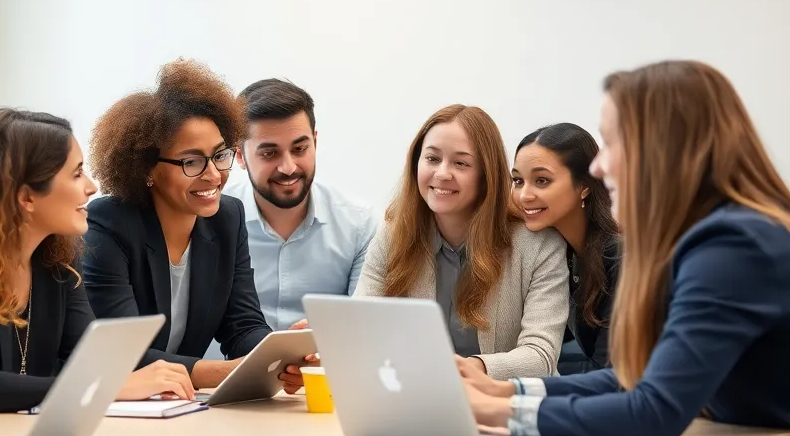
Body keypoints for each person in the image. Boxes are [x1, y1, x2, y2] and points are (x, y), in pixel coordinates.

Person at [455, 61, 790, 436]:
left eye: (612, 144)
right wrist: (507, 388)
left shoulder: (734, 245)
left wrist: (498, 412)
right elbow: (642, 377)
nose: (602, 167)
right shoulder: (718, 235)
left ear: (667, 147)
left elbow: (652, 412)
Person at [0, 108, 195, 415]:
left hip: (30, 434)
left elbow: (88, 362)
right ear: (26, 197)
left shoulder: (59, 257)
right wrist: (109, 387)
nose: (91, 187)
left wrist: (121, 381)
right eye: (76, 173)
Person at [83, 59, 290, 390]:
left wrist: (276, 355)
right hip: (120, 408)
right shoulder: (109, 225)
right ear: (147, 169)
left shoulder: (228, 217)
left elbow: (243, 325)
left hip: (183, 407)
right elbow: (120, 352)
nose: (212, 174)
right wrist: (221, 373)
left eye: (220, 155)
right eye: (191, 161)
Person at [352, 104, 570, 379]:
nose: (443, 173)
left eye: (461, 163)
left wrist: (467, 370)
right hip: (414, 401)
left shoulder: (539, 246)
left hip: (505, 407)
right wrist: (315, 345)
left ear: (486, 175)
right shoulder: (394, 233)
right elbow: (359, 324)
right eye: (432, 159)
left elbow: (541, 357)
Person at [227, 78, 376, 331]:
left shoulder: (359, 225)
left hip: (324, 368)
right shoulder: (208, 221)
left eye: (299, 148)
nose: (288, 168)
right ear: (239, 155)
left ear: (315, 142)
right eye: (269, 153)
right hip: (230, 368)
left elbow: (363, 329)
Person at [512, 123, 621, 373]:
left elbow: (611, 373)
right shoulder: (562, 252)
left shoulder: (619, 256)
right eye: (517, 180)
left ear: (584, 185)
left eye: (541, 180)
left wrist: (504, 388)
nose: (523, 195)